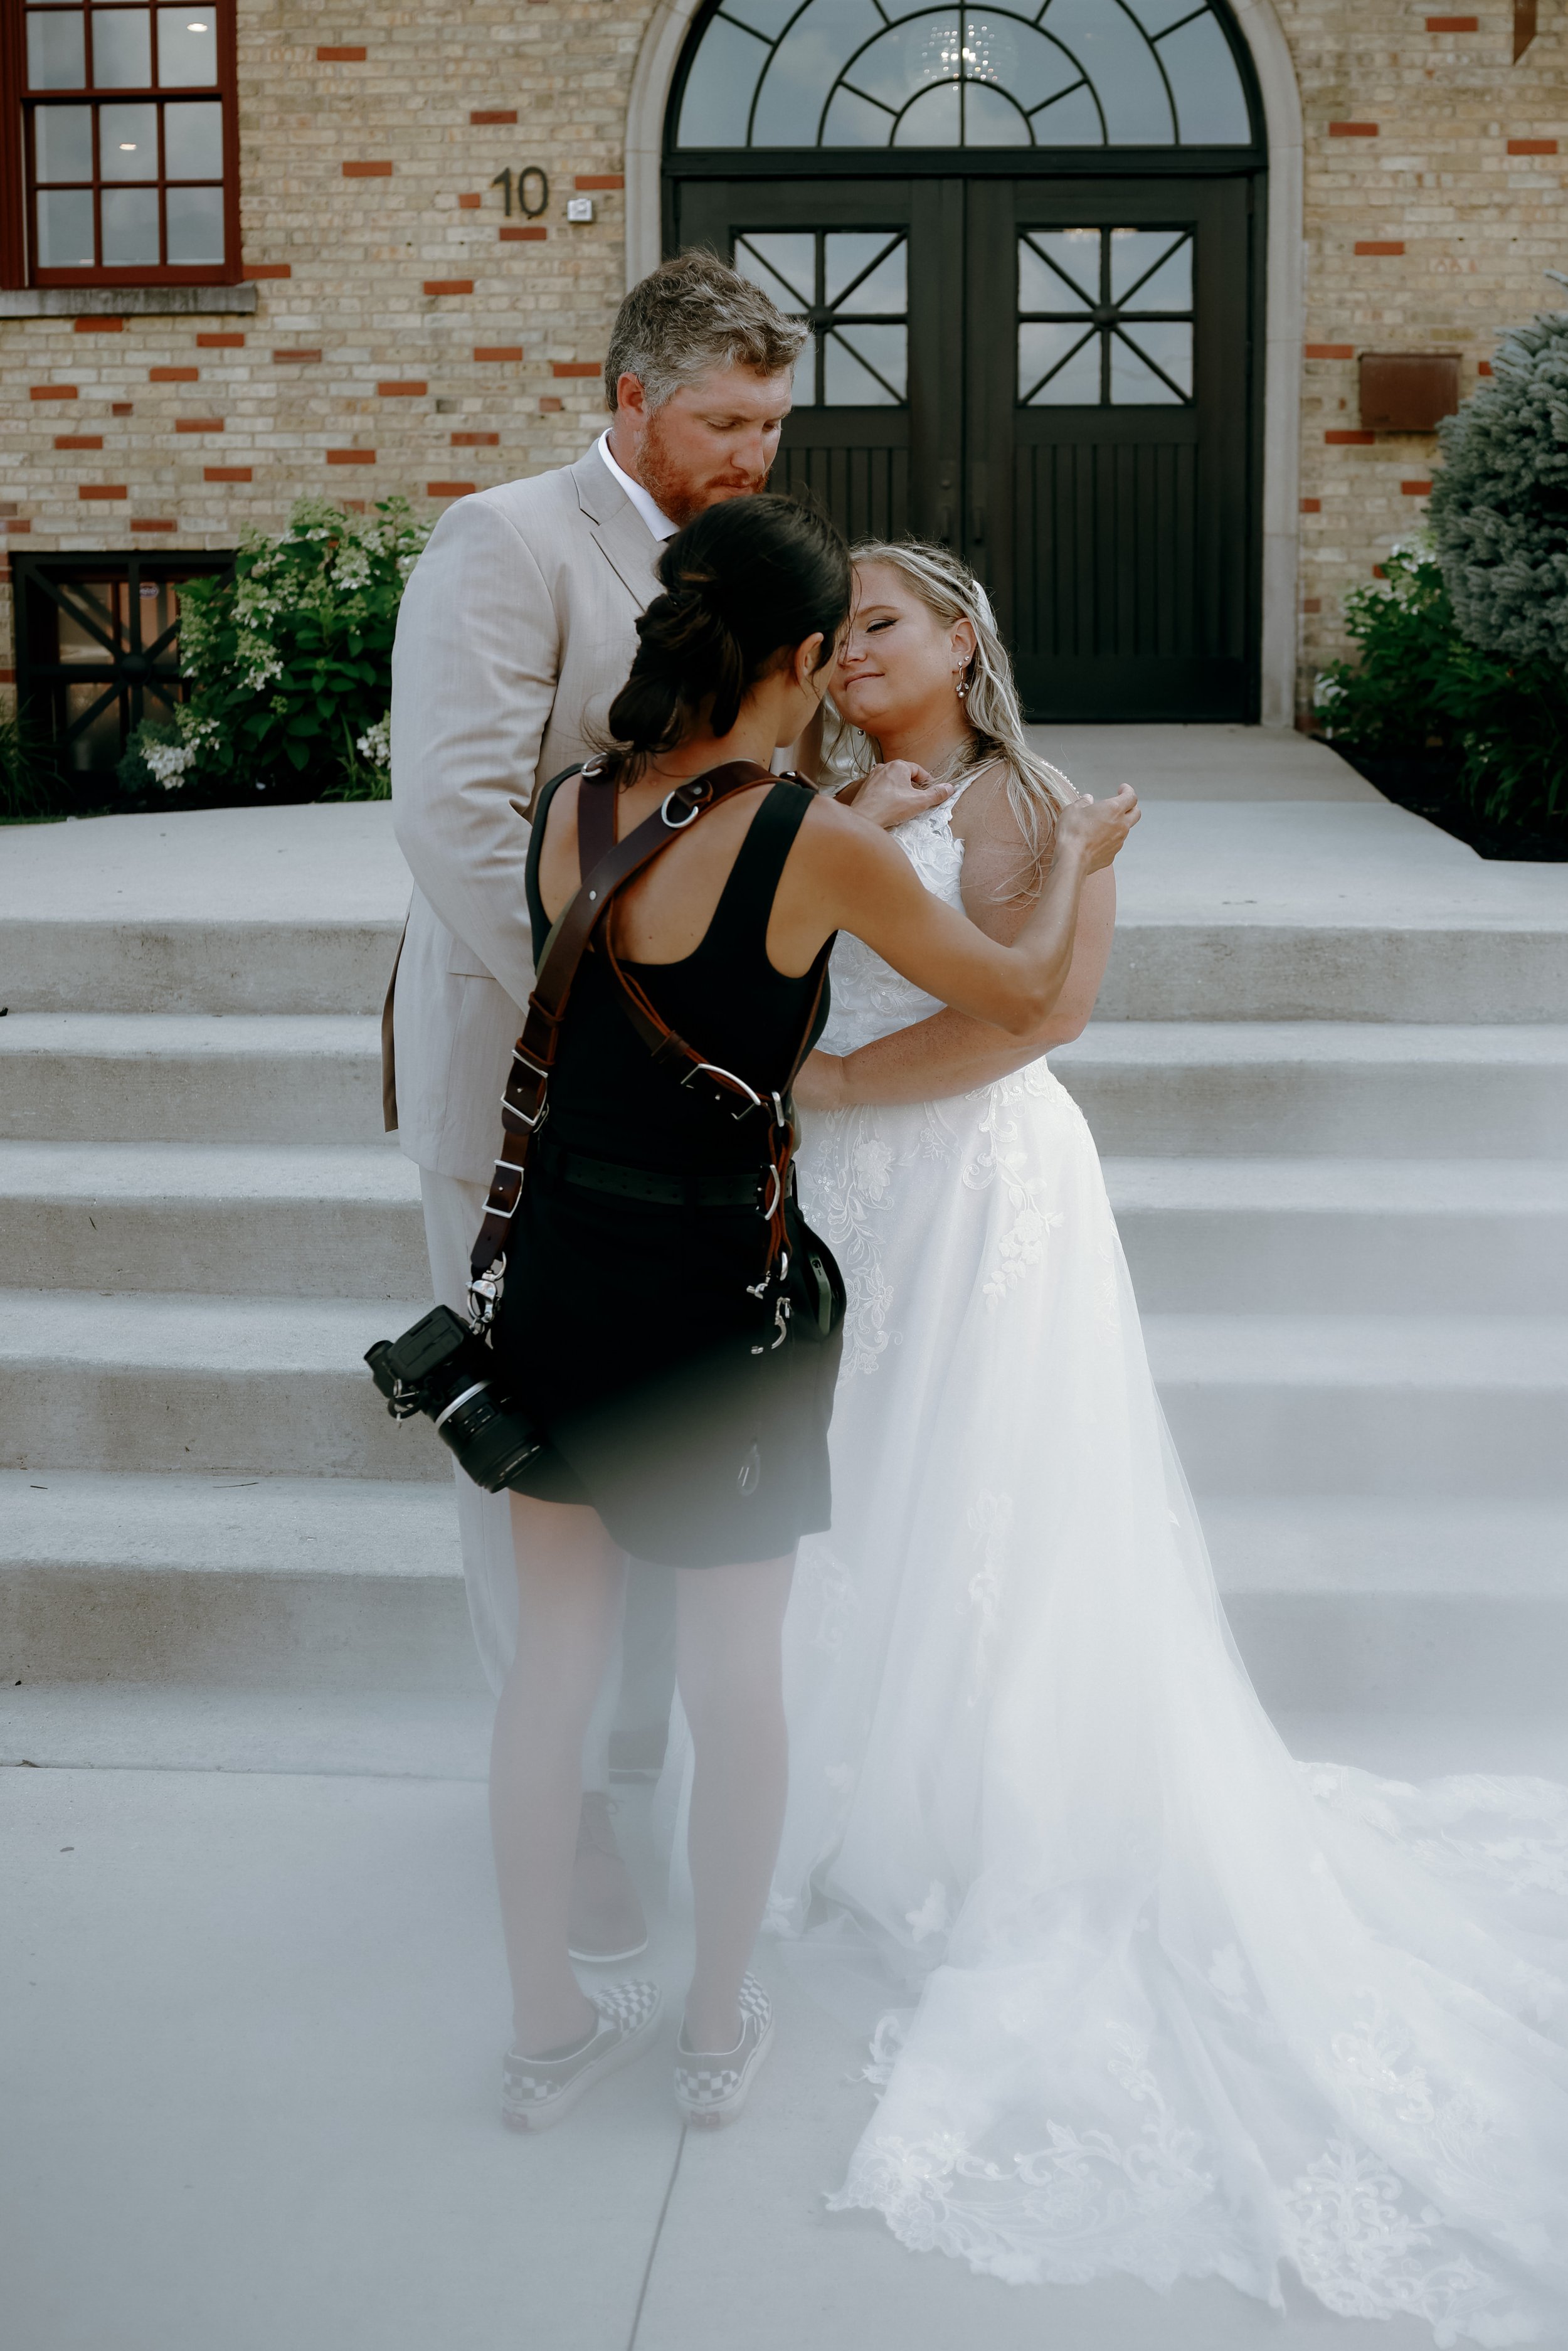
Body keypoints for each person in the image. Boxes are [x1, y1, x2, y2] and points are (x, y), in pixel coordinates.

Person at [755, 541, 1568, 2340]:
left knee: (986, 1499)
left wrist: (836, 1090)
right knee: (854, 1483)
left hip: (971, 1182)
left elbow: (1040, 1015)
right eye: (839, 629)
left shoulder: (1036, 807)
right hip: (842, 1201)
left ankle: (974, 1803)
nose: (851, 651)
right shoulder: (822, 794)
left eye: (882, 624)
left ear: (962, 638)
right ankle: (827, 1783)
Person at [484, 497, 1137, 2133]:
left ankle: (545, 2028)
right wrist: (1079, 860)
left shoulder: (569, 807)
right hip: (711, 1300)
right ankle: (715, 2027)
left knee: (552, 1666)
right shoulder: (812, 838)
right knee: (737, 1672)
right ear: (793, 655)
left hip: (556, 1272)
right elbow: (1019, 992)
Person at [384, 252, 806, 1962]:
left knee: (670, 1449)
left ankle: (639, 1766)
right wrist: (612, 1032)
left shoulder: (738, 555)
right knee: (536, 1457)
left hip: (686, 1116)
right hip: (522, 1080)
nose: (753, 456)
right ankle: (560, 1815)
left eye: (772, 425)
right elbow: (457, 817)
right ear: (631, 398)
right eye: (724, 422)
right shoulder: (506, 543)